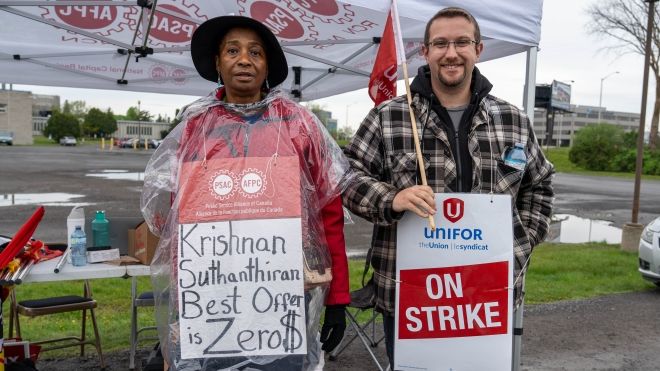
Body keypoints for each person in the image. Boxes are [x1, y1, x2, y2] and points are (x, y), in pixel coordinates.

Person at [342, 6, 554, 367]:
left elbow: (540, 184)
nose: (451, 53)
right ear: (424, 52)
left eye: (461, 42)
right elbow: (346, 176)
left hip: (487, 294)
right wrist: (391, 198)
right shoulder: (390, 115)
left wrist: (522, 241)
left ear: (478, 49)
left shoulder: (512, 120)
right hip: (411, 297)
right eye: (440, 43)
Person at [141, 16, 351, 370]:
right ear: (218, 63)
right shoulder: (195, 126)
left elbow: (328, 211)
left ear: (267, 65)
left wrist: (337, 296)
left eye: (256, 52)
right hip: (213, 293)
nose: (244, 60)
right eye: (233, 51)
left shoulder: (298, 124)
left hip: (286, 292)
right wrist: (183, 292)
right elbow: (175, 216)